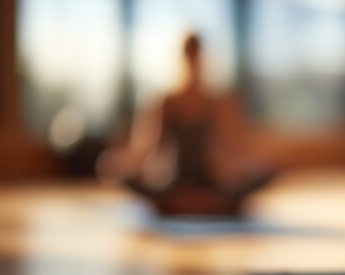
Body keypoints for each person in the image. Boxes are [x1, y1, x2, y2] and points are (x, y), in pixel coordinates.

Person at [99, 33, 276, 215]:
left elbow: (235, 148)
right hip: (174, 184)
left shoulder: (217, 101)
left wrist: (253, 167)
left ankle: (196, 203)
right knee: (119, 175)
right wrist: (122, 163)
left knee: (266, 173)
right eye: (189, 53)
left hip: (211, 182)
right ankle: (202, 204)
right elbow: (148, 148)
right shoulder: (166, 102)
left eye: (196, 53)